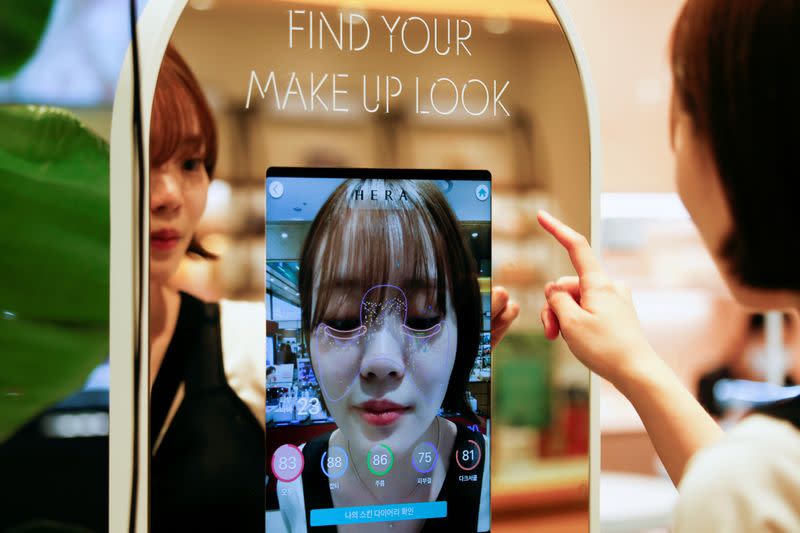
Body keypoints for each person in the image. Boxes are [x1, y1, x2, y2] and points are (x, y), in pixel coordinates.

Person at [537, 1, 800, 531]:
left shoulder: (751, 484)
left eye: (686, 111)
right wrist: (634, 362)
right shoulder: (758, 478)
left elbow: (750, 491)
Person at [277, 179, 518, 533]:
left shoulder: (494, 481)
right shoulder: (294, 483)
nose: (381, 361)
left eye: (422, 317)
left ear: (462, 334)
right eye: (342, 318)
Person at [148, 44, 265, 531]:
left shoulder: (249, 343)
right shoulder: (29, 356)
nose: (169, 195)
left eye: (191, 163)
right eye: (143, 159)